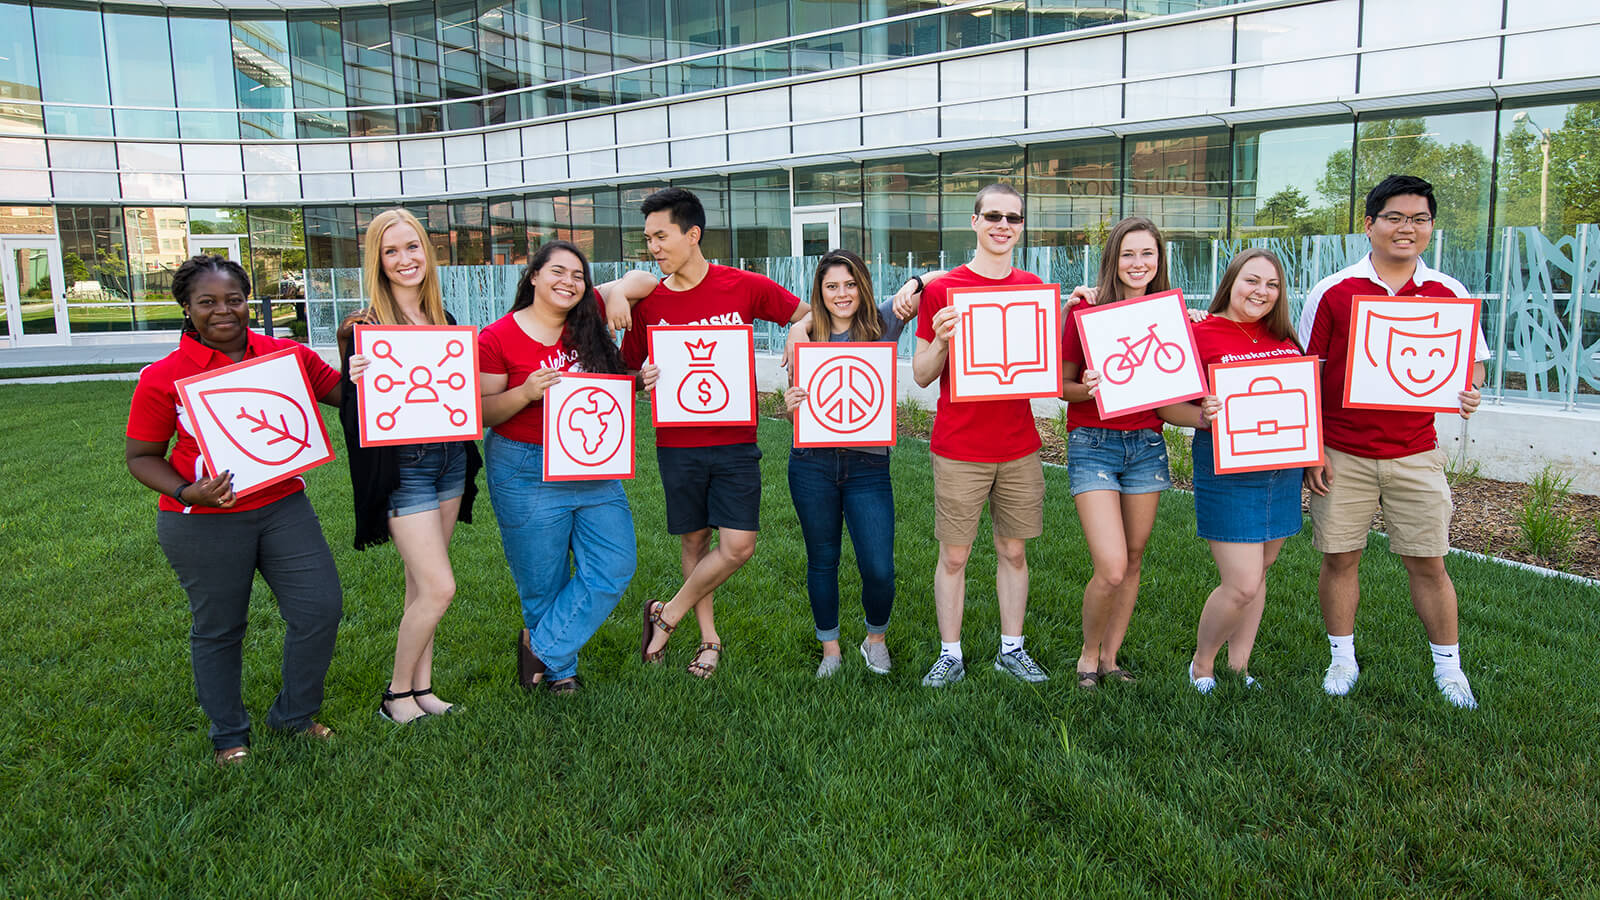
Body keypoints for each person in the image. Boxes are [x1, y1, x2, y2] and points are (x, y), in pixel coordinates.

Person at [124, 255, 343, 766]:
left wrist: (356, 351)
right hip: (202, 522)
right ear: (186, 307)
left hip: (282, 505)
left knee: (319, 608)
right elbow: (141, 457)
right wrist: (187, 491)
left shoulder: (285, 356)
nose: (223, 311)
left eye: (234, 299)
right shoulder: (163, 376)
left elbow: (347, 398)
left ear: (249, 302)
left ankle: (294, 715)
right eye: (207, 302)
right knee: (220, 627)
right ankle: (228, 734)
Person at [1297, 174, 1488, 709]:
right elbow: (1308, 373)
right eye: (1395, 218)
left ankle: (1448, 667)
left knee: (1429, 562)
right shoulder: (1333, 291)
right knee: (1340, 558)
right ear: (1370, 224)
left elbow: (1471, 362)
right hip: (1342, 453)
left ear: (1431, 226)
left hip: (1416, 453)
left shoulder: (1448, 292)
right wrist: (1313, 449)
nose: (1408, 228)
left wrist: (1469, 390)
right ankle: (1342, 658)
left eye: (1419, 219)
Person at [628, 187, 809, 679]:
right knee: (694, 540)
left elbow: (809, 313)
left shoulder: (743, 285)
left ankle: (666, 614)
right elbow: (624, 369)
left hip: (734, 442)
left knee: (738, 545)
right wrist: (639, 378)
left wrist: (797, 329)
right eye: (648, 239)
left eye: (661, 236)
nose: (653, 248)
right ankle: (708, 639)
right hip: (677, 443)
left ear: (692, 234)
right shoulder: (648, 301)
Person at [479, 241, 659, 694]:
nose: (569, 282)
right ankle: (561, 671)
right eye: (557, 272)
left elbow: (646, 280)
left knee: (614, 563)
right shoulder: (497, 337)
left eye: (578, 275)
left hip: (591, 462)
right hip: (525, 465)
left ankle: (540, 649)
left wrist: (616, 295)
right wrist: (525, 392)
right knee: (543, 580)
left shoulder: (587, 314)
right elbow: (482, 410)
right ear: (533, 276)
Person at [338, 208, 483, 724]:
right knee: (440, 587)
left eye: (412, 246)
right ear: (377, 260)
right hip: (404, 467)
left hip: (449, 460)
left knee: (421, 587)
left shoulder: (444, 320)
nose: (405, 259)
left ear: (428, 251)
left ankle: (423, 688)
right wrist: (355, 382)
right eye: (391, 251)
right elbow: (352, 416)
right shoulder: (363, 327)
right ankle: (396, 695)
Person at [911, 183, 1050, 687]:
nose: (1002, 226)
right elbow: (921, 374)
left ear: (1021, 227)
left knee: (1014, 551)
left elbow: (1044, 361)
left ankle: (1012, 649)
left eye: (1012, 218)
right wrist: (943, 340)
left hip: (1018, 445)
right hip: (960, 447)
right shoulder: (944, 291)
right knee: (954, 555)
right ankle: (950, 653)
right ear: (974, 222)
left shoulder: (1033, 288)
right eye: (993, 216)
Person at [1157, 249, 1304, 693]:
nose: (1261, 292)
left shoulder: (1284, 337)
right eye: (1251, 281)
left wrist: (1314, 457)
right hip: (1227, 471)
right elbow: (1166, 407)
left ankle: (1239, 666)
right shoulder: (1200, 332)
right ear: (1231, 282)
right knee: (1241, 583)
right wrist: (1203, 417)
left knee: (1260, 572)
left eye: (1272, 285)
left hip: (1282, 471)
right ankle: (1202, 664)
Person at [782, 249, 915, 678]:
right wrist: (791, 406)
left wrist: (914, 285)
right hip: (812, 465)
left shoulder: (882, 323)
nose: (842, 294)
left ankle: (875, 639)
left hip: (867, 467)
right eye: (832, 286)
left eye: (851, 284)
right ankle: (831, 649)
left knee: (879, 567)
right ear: (819, 292)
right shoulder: (806, 339)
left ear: (863, 286)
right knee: (822, 560)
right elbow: (799, 417)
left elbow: (938, 278)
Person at [1059, 217, 1176, 690]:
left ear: (1159, 259)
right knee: (1110, 566)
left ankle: (1110, 658)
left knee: (1132, 558)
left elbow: (1173, 395)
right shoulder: (1086, 311)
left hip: (1146, 446)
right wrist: (1086, 388)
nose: (1138, 263)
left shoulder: (1168, 315)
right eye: (1128, 253)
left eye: (1147, 253)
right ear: (1113, 259)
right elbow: (1062, 385)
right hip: (1093, 444)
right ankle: (1088, 654)